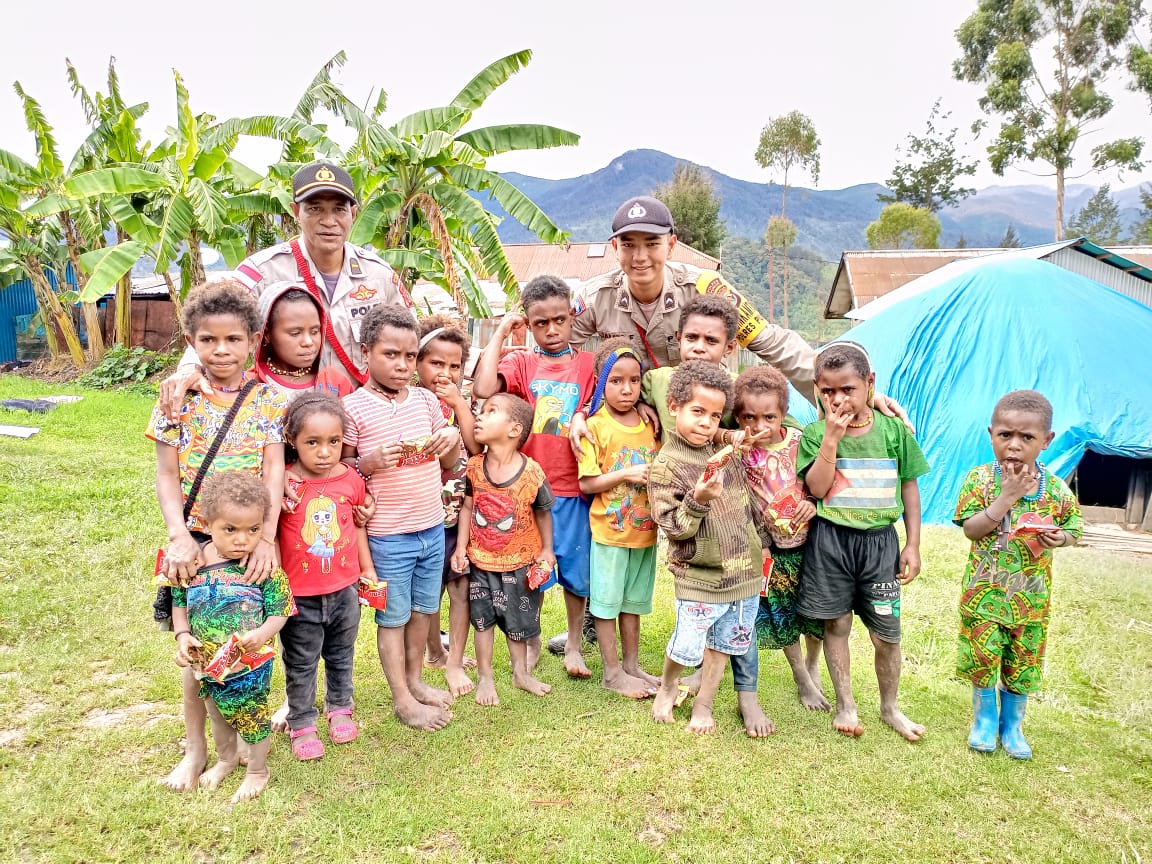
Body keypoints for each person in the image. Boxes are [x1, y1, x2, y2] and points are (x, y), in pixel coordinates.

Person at [147, 280, 287, 792]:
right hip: (193, 545)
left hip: (250, 542)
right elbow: (166, 473)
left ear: (253, 340)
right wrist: (179, 536)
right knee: (193, 656)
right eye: (208, 340)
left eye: (233, 339)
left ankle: (247, 753)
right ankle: (197, 752)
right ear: (191, 340)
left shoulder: (271, 400)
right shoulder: (173, 400)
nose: (221, 350)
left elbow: (274, 471)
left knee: (247, 645)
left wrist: (268, 538)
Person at [159, 160, 413, 419]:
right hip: (280, 418)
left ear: (354, 213)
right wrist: (189, 367)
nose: (329, 221)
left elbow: (412, 337)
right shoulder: (263, 271)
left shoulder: (378, 275)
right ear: (295, 211)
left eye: (339, 210)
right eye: (315, 209)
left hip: (363, 418)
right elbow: (214, 319)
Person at [640, 295, 777, 735]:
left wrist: (764, 539)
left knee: (725, 645)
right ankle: (667, 686)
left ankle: (705, 704)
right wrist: (697, 499)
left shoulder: (726, 451)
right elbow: (674, 527)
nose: (705, 422)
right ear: (674, 408)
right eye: (697, 412)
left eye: (714, 415)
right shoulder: (666, 466)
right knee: (688, 645)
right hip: (700, 575)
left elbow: (745, 507)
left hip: (743, 573)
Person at [796, 342, 929, 741]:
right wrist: (831, 440)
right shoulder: (815, 434)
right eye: (827, 391)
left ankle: (890, 707)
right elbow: (817, 490)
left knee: (886, 634)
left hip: (880, 544)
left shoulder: (894, 432)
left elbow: (910, 488)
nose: (837, 399)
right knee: (836, 623)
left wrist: (913, 544)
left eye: (847, 389)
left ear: (869, 384)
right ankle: (846, 704)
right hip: (830, 542)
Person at [341, 306, 462, 732]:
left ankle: (416, 681)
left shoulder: (427, 400)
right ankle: (401, 699)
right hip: (387, 535)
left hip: (431, 527)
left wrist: (451, 437)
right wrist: (367, 463)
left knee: (424, 611)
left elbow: (449, 461)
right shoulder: (351, 408)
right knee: (393, 617)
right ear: (365, 352)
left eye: (410, 357)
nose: (402, 365)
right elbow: (340, 469)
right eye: (391, 354)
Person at [471, 275, 597, 680]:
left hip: (574, 488)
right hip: (527, 490)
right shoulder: (522, 362)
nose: (552, 329)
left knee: (576, 573)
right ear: (529, 321)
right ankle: (531, 638)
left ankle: (575, 643)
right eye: (540, 323)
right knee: (530, 572)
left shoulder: (588, 364)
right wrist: (503, 332)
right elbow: (483, 387)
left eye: (560, 319)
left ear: (572, 315)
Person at [954, 390, 1081, 759]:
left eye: (1027, 437)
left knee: (1023, 660)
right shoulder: (979, 480)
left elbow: (1073, 527)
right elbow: (972, 529)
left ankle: (1013, 725)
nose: (1014, 445)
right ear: (991, 433)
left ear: (1046, 440)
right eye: (1005, 435)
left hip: (1031, 600)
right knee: (982, 655)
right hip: (983, 596)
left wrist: (1062, 537)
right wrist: (1006, 498)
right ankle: (984, 720)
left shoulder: (1055, 489)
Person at [171, 471, 295, 803]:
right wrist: (183, 636)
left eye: (253, 530)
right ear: (206, 522)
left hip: (249, 664)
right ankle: (226, 759)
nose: (243, 540)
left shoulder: (263, 567)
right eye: (230, 530)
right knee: (217, 715)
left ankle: (257, 770)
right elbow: (179, 600)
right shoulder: (193, 562)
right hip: (206, 663)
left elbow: (281, 609)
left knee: (252, 717)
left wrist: (263, 633)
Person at [277, 392, 376, 760]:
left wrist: (366, 569)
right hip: (299, 593)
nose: (324, 452)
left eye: (333, 442)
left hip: (345, 589)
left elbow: (357, 527)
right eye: (312, 443)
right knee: (301, 661)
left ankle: (340, 707)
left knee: (340, 653)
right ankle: (301, 721)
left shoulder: (351, 480)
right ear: (293, 442)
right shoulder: (284, 481)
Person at [450, 393, 556, 706]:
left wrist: (547, 549)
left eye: (490, 411)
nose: (479, 417)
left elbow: (543, 512)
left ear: (514, 429)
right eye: (480, 411)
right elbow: (468, 508)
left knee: (518, 623)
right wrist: (460, 548)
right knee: (483, 623)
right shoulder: (474, 468)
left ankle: (520, 673)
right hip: (481, 562)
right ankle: (485, 677)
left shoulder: (532, 473)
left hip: (520, 563)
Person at [734, 365, 828, 711]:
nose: (759, 427)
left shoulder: (802, 443)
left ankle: (814, 661)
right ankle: (801, 675)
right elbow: (742, 503)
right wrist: (759, 542)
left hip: (814, 545)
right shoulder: (740, 454)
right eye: (748, 418)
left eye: (768, 417)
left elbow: (824, 482)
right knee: (783, 614)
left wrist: (813, 504)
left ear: (783, 414)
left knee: (817, 614)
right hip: (774, 550)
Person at [576, 340, 661, 699]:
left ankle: (631, 665)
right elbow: (587, 483)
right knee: (607, 604)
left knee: (632, 604)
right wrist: (626, 474)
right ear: (600, 381)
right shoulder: (593, 427)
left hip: (645, 533)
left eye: (634, 380)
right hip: (610, 533)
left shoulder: (650, 422)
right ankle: (611, 673)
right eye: (616, 381)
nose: (627, 389)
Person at [414, 316, 482, 697]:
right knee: (429, 592)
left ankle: (454, 660)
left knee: (460, 585)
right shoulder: (408, 401)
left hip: (459, 513)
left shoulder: (464, 400)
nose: (446, 372)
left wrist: (459, 405)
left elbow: (474, 448)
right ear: (417, 362)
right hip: (420, 515)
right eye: (436, 363)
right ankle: (434, 652)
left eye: (454, 365)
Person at [253, 282, 324, 400]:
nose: (308, 342)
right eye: (295, 333)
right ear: (266, 334)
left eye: (315, 331)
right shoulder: (249, 384)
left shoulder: (335, 381)